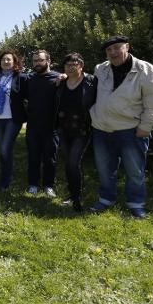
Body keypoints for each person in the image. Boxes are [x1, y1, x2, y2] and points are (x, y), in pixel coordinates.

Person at [89, 35, 153, 218]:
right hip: (101, 129)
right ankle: (106, 199)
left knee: (135, 171)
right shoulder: (100, 69)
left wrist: (146, 127)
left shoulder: (146, 70)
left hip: (131, 130)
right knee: (105, 170)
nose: (113, 52)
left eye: (117, 48)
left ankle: (136, 204)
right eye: (109, 50)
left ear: (127, 47)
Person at [53, 53, 97, 212]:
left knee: (73, 162)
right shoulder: (61, 83)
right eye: (67, 65)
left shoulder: (91, 81)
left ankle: (77, 198)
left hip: (82, 129)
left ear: (81, 66)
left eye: (74, 64)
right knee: (69, 163)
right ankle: (72, 194)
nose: (71, 67)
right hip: (63, 129)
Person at [0, 50, 28, 191]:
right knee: (4, 150)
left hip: (13, 119)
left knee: (4, 150)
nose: (6, 62)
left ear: (14, 62)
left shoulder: (21, 77)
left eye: (9, 59)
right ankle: (6, 176)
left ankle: (5, 180)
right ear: (0, 62)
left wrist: (61, 76)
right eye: (3, 59)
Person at [24, 50, 61, 197]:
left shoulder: (58, 78)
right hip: (33, 126)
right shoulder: (30, 78)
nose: (37, 63)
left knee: (50, 159)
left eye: (40, 60)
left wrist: (63, 76)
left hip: (52, 127)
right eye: (34, 61)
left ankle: (48, 186)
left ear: (48, 61)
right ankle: (33, 184)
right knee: (33, 157)